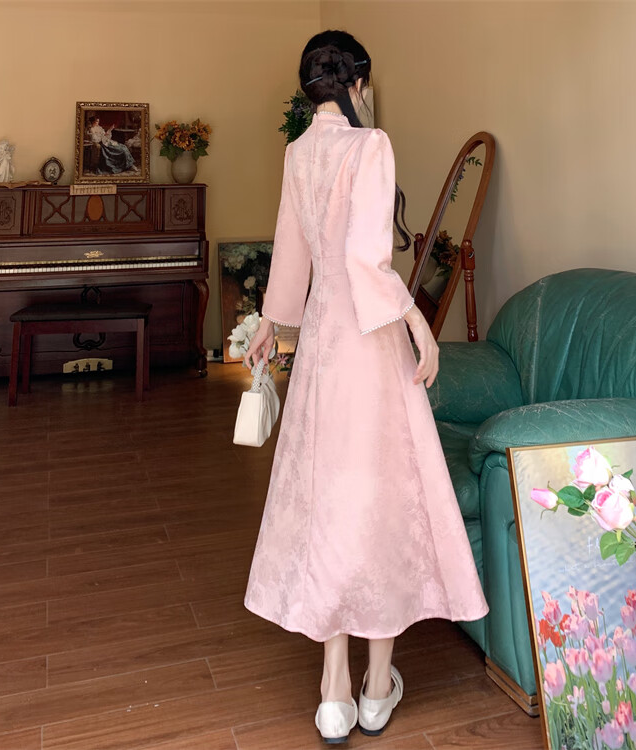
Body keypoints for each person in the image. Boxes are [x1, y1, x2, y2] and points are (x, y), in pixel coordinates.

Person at [242, 30, 489, 744]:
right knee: (380, 499)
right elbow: (368, 260)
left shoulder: (298, 153)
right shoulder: (370, 145)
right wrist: (416, 322)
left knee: (329, 500)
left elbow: (293, 251)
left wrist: (271, 324)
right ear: (358, 83)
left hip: (322, 343)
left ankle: (333, 693)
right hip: (368, 340)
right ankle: (377, 687)